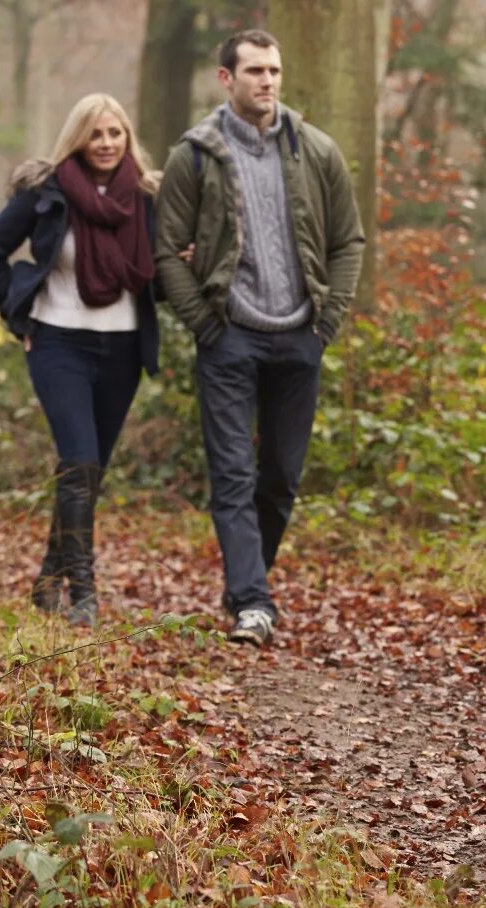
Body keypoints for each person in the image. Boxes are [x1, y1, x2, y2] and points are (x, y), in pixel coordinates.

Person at [155, 29, 364, 647]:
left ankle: (248, 584)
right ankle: (252, 600)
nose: (267, 81)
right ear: (227, 79)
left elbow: (348, 241)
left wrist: (327, 322)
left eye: (273, 70)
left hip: (301, 335)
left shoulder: (317, 150)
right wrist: (205, 325)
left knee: (281, 476)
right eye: (253, 71)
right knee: (232, 476)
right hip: (229, 338)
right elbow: (166, 249)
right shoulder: (193, 155)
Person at [0, 93, 162, 626]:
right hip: (58, 345)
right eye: (95, 134)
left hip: (123, 348)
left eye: (115, 133)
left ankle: (47, 580)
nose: (106, 143)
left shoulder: (146, 198)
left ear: (127, 138)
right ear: (78, 139)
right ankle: (83, 591)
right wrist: (19, 316)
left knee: (89, 471)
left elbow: (155, 276)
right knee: (78, 461)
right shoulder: (47, 193)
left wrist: (181, 261)